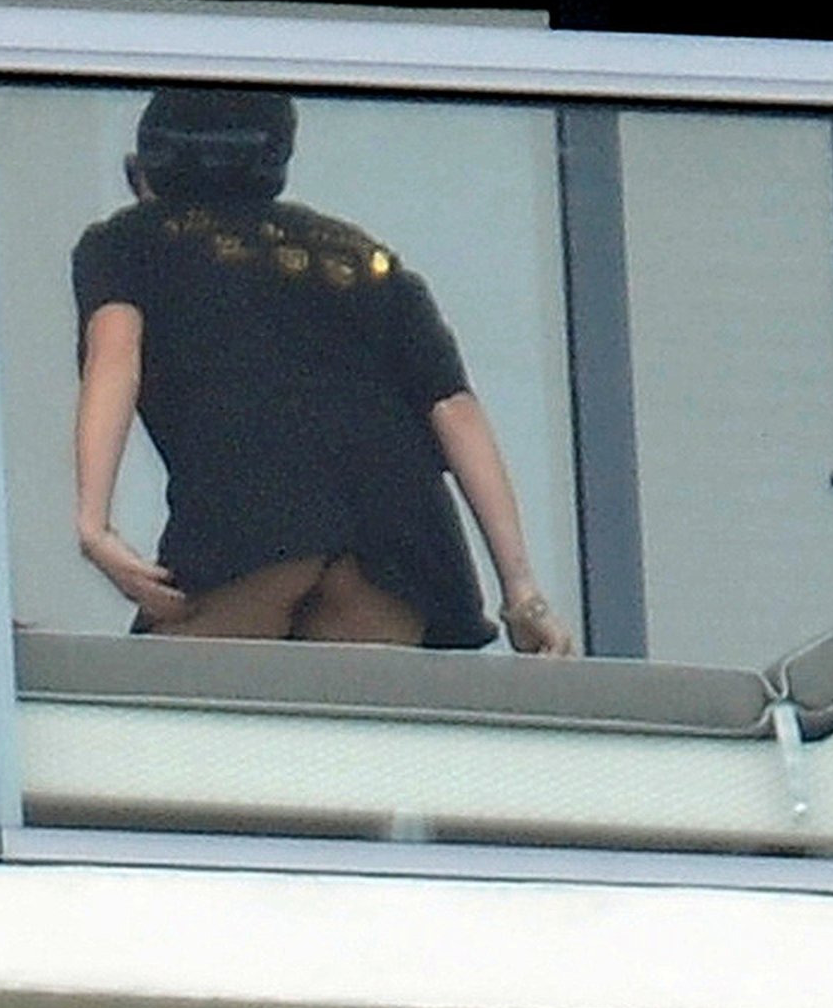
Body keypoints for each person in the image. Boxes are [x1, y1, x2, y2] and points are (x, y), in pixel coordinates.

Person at [73, 88, 572, 655]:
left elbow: (114, 353)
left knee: (180, 702)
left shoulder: (128, 240)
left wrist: (94, 524)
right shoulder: (365, 259)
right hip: (398, 539)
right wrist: (522, 592)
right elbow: (455, 410)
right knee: (347, 710)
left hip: (251, 515)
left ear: (147, 171)